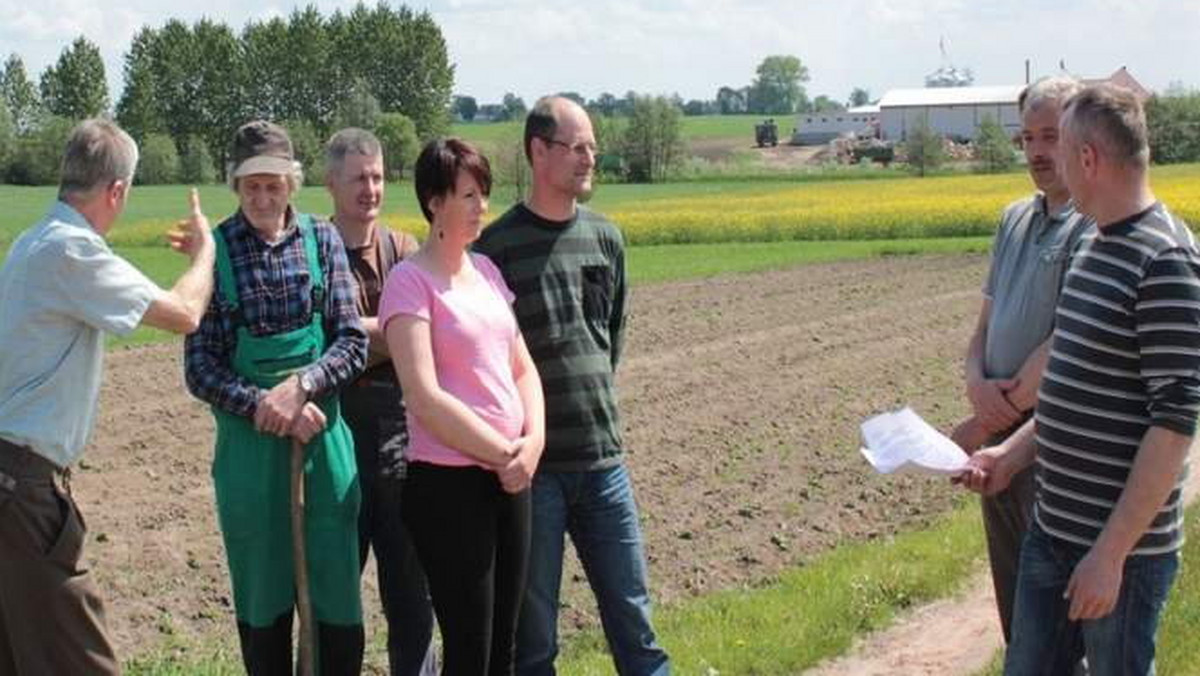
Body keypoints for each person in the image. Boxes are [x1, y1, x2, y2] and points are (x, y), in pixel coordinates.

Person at [962, 83, 1198, 675]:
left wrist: (1111, 555)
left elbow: (1173, 426)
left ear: (1087, 159)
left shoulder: (1165, 262)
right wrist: (1008, 457)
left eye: (1060, 149)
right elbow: (1070, 389)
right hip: (1053, 530)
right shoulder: (1095, 244)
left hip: (1120, 555)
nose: (1050, 164)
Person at [0, 119, 215, 674]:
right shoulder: (73, 252)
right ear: (116, 190)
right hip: (22, 490)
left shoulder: (34, 240)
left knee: (22, 655)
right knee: (85, 660)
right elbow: (184, 314)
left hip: (9, 481)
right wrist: (205, 252)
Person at [475, 96, 671, 676]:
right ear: (539, 151)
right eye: (577, 146)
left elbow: (610, 336)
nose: (589, 158)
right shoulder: (497, 250)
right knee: (533, 639)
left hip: (604, 463)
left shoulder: (606, 239)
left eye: (592, 147)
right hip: (534, 474)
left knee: (635, 623)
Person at [184, 120, 368, 675]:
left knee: (336, 597)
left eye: (274, 184)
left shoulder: (324, 240)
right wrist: (268, 407)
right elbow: (201, 368)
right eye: (251, 187)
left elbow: (353, 342)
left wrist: (302, 386)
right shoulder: (215, 252)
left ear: (292, 183)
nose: (263, 198)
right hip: (250, 457)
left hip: (324, 447)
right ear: (236, 187)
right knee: (263, 601)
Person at [380, 137, 544, 676]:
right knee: (470, 650)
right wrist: (503, 452)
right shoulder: (410, 283)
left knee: (506, 648)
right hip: (449, 487)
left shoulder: (488, 274)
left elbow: (521, 367)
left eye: (484, 194)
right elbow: (424, 396)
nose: (482, 207)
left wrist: (533, 443)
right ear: (434, 202)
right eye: (469, 195)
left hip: (510, 479)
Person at [949, 76, 1093, 647]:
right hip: (997, 443)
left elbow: (1065, 347)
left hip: (1051, 440)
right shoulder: (1013, 218)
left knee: (1058, 615)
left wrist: (988, 418)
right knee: (1015, 607)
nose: (1037, 152)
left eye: (1051, 136)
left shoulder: (1093, 225)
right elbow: (985, 323)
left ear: (1082, 139)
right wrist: (973, 378)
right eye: (1028, 137)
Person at [324, 127, 436, 676]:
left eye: (377, 176)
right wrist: (392, 337)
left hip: (402, 443)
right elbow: (311, 343)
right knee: (335, 595)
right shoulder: (310, 253)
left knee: (411, 591)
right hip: (335, 444)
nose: (370, 188)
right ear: (330, 183)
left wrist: (348, 339)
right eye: (358, 178)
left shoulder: (406, 249)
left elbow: (432, 335)